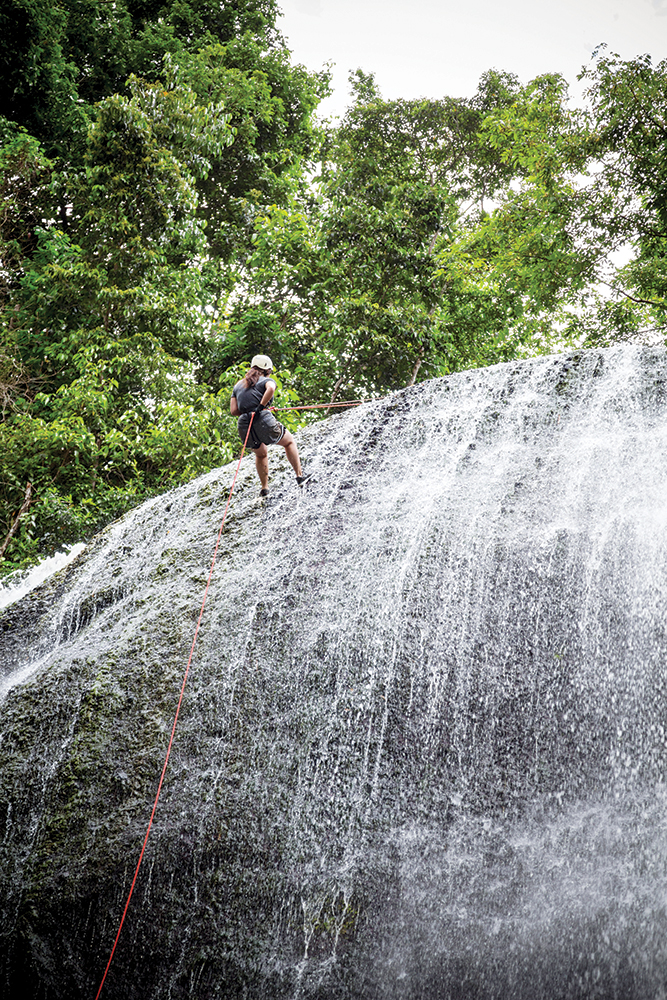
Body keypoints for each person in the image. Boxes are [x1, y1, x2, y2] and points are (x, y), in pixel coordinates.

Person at [230, 354, 309, 496]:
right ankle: (299, 476)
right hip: (261, 419)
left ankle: (264, 488)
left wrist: (250, 409)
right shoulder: (266, 380)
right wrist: (260, 407)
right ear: (266, 369)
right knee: (289, 441)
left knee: (260, 454)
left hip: (244, 424)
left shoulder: (238, 386)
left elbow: (234, 410)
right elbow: (271, 389)